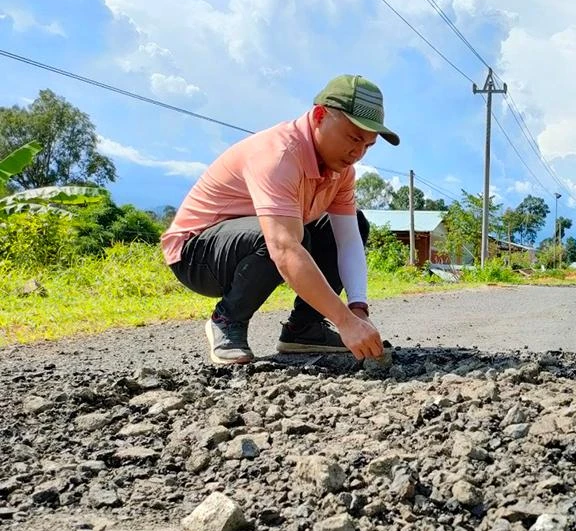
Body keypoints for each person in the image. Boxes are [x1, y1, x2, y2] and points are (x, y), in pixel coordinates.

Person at [160, 74, 398, 365]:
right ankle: (227, 320)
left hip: (258, 238)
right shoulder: (279, 154)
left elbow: (347, 240)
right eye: (353, 138)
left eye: (368, 146)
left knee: (352, 223)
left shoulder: (342, 172)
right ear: (320, 116)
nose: (358, 153)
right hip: (196, 254)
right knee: (285, 237)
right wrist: (345, 322)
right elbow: (283, 247)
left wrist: (358, 311)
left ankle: (305, 329)